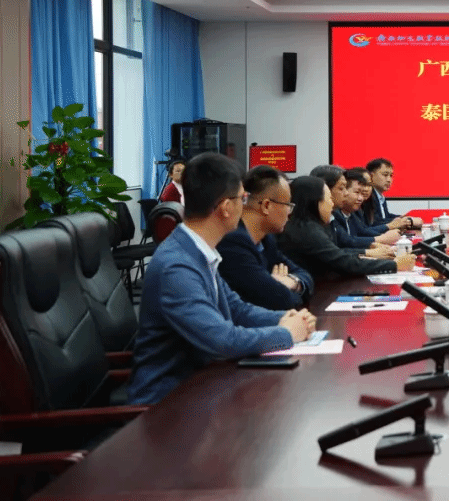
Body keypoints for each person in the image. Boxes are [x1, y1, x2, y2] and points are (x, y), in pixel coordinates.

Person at [129, 153, 315, 405]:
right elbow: (223, 340)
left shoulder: (197, 250)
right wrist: (286, 333)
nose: (246, 206)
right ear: (226, 207)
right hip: (167, 405)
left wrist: (284, 318)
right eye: (242, 199)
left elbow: (236, 309)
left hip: (202, 386)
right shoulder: (177, 266)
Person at [216, 165, 314, 311]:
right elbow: (281, 300)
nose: (289, 212)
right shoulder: (232, 242)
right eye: (288, 204)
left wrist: (293, 282)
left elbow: (305, 276)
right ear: (266, 206)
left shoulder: (267, 240)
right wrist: (282, 288)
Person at [277, 174, 416, 277]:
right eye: (328, 199)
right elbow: (342, 261)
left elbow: (336, 252)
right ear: (315, 202)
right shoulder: (308, 230)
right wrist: (394, 264)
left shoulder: (311, 225)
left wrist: (368, 252)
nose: (331, 203)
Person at [330, 167, 401, 250]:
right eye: (357, 192)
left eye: (369, 185)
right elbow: (347, 242)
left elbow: (361, 231)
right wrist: (382, 237)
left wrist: (384, 237)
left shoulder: (353, 210)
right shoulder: (335, 213)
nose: (361, 198)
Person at [366, 157, 422, 229]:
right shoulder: (367, 196)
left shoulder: (379, 196)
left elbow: (385, 217)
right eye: (385, 175)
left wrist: (402, 218)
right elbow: (375, 223)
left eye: (391, 176)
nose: (389, 180)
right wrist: (407, 221)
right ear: (371, 176)